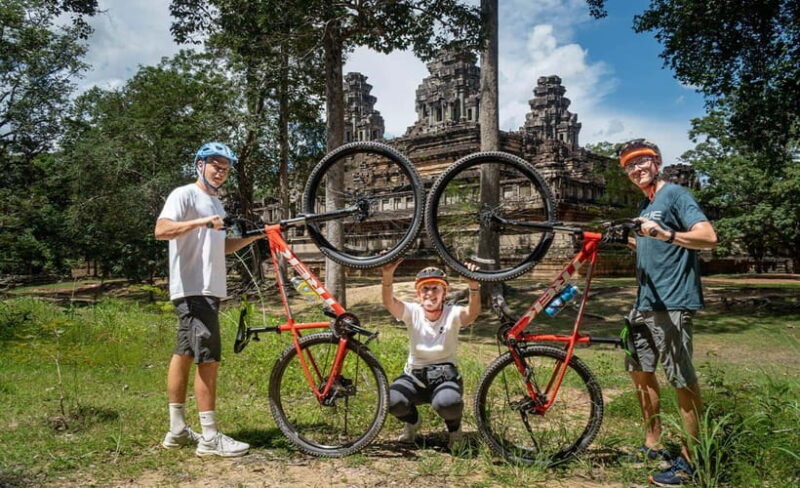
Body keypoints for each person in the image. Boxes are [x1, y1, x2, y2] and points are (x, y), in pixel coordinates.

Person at [617, 139, 718, 486]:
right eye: (629, 166)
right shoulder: (646, 204)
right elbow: (653, 243)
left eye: (642, 161)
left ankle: (692, 460)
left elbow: (707, 236)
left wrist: (666, 232)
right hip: (644, 302)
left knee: (680, 378)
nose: (636, 169)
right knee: (640, 371)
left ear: (657, 162)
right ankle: (652, 444)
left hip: (673, 302)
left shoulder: (674, 194)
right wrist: (627, 239)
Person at [155, 142, 263, 457]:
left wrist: (255, 237)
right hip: (194, 289)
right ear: (200, 165)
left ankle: (177, 430)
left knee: (184, 354)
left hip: (207, 290)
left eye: (226, 168)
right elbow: (162, 230)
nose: (221, 172)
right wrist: (202, 222)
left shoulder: (216, 204)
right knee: (208, 358)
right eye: (216, 165)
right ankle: (210, 437)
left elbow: (220, 246)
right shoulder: (184, 194)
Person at [380, 260, 480, 450]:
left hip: (445, 377)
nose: (430, 293)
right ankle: (413, 422)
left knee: (448, 402)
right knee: (392, 400)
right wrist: (387, 274)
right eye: (425, 288)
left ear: (444, 293)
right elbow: (389, 302)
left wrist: (473, 286)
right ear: (418, 294)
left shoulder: (452, 313)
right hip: (414, 377)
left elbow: (472, 313)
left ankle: (454, 430)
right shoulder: (412, 312)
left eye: (435, 288)